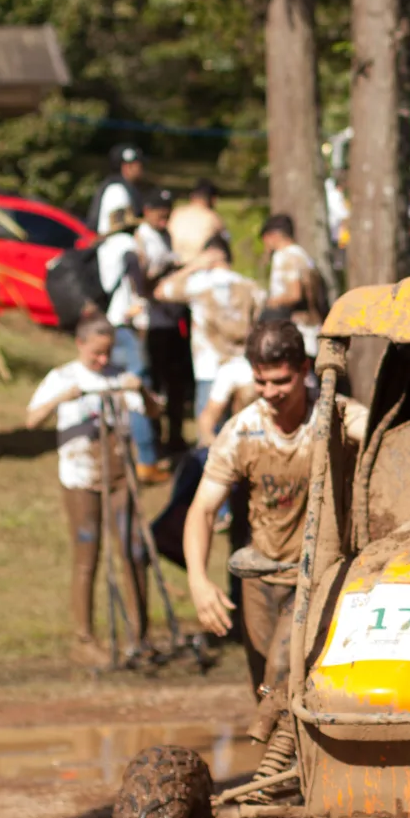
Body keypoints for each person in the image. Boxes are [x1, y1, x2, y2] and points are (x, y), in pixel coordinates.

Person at [186, 317, 366, 727]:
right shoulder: (242, 431)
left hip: (322, 576)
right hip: (262, 578)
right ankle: (283, 782)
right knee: (266, 693)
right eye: (260, 382)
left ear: (304, 370)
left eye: (280, 381)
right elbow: (202, 510)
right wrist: (198, 580)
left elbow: (375, 431)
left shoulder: (333, 415)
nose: (269, 393)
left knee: (290, 678)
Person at [25, 315, 154, 668]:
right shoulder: (63, 378)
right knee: (88, 555)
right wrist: (61, 399)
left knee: (133, 551)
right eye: (97, 353)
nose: (102, 360)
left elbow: (153, 410)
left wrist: (139, 390)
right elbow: (31, 420)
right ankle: (84, 638)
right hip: (81, 478)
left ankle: (139, 636)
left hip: (119, 476)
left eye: (107, 353)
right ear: (80, 344)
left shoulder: (118, 377)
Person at [95, 203, 166, 481]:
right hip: (123, 325)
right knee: (135, 389)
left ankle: (114, 456)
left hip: (103, 325)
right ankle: (146, 460)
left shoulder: (103, 247)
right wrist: (143, 297)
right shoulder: (126, 244)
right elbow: (137, 278)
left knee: (111, 388)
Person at [157, 235, 266, 397]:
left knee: (209, 419)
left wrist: (192, 267)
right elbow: (259, 319)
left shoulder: (198, 283)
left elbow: (160, 291)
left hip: (209, 366)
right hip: (243, 365)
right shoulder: (250, 286)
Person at [137, 191, 192, 454]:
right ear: (147, 210)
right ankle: (156, 438)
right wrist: (167, 270)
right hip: (153, 319)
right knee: (156, 382)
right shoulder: (140, 237)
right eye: (161, 215)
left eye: (168, 215)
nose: (164, 220)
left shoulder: (164, 235)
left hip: (172, 318)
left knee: (176, 381)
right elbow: (142, 280)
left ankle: (176, 436)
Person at [259, 214, 326, 343]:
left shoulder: (284, 256)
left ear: (273, 235)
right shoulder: (303, 255)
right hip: (312, 328)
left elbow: (295, 294)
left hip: (294, 330)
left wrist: (272, 302)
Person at [92, 146, 145, 245]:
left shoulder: (125, 188)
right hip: (115, 251)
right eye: (139, 165)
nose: (142, 169)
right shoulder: (117, 190)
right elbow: (119, 228)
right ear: (126, 167)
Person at [168, 178, 226, 262]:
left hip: (173, 263)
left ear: (192, 196)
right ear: (213, 200)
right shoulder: (213, 219)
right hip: (198, 267)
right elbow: (224, 250)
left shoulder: (176, 213)